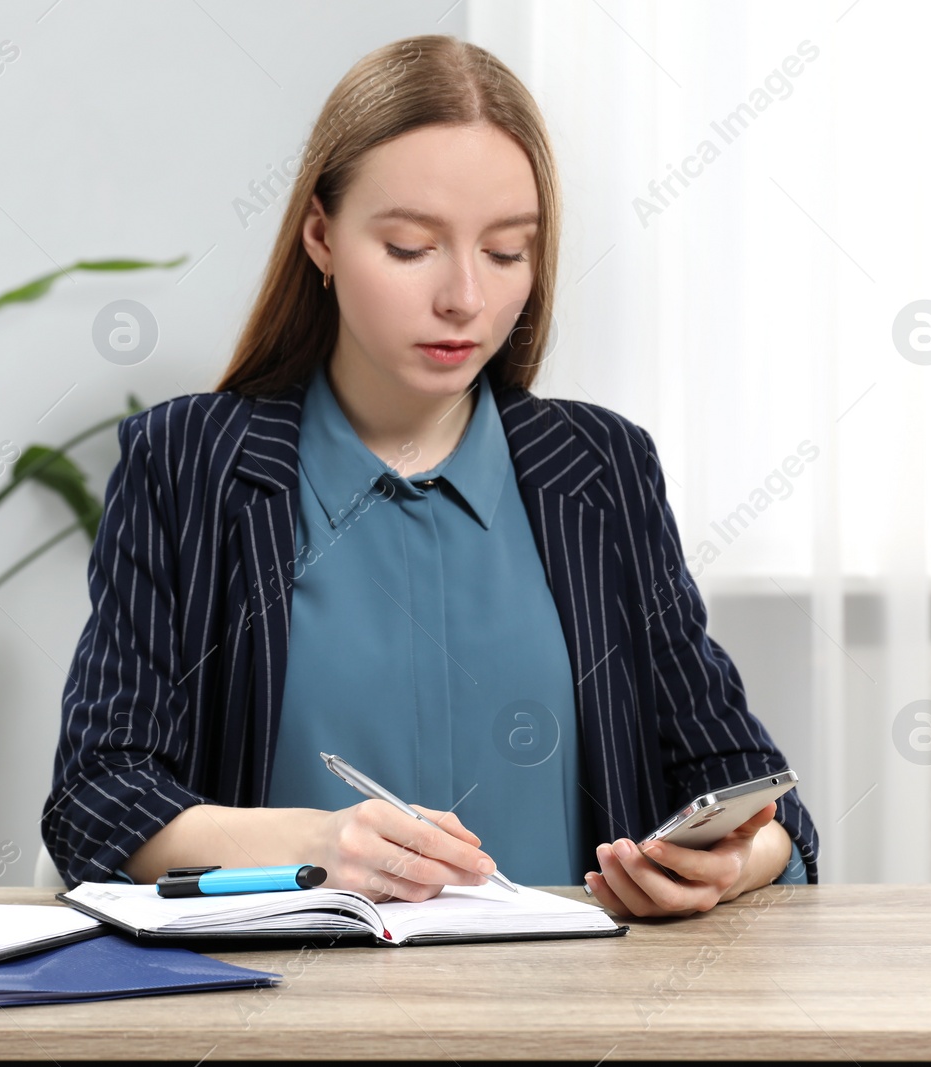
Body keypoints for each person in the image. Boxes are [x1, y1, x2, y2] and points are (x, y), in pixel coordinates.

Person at [41, 34, 817, 918]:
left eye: (506, 251)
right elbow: (94, 798)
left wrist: (741, 860)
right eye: (411, 247)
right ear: (322, 238)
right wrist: (311, 847)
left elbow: (750, 789)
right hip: (274, 1010)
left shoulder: (602, 470)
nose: (464, 298)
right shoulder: (188, 464)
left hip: (571, 1013)